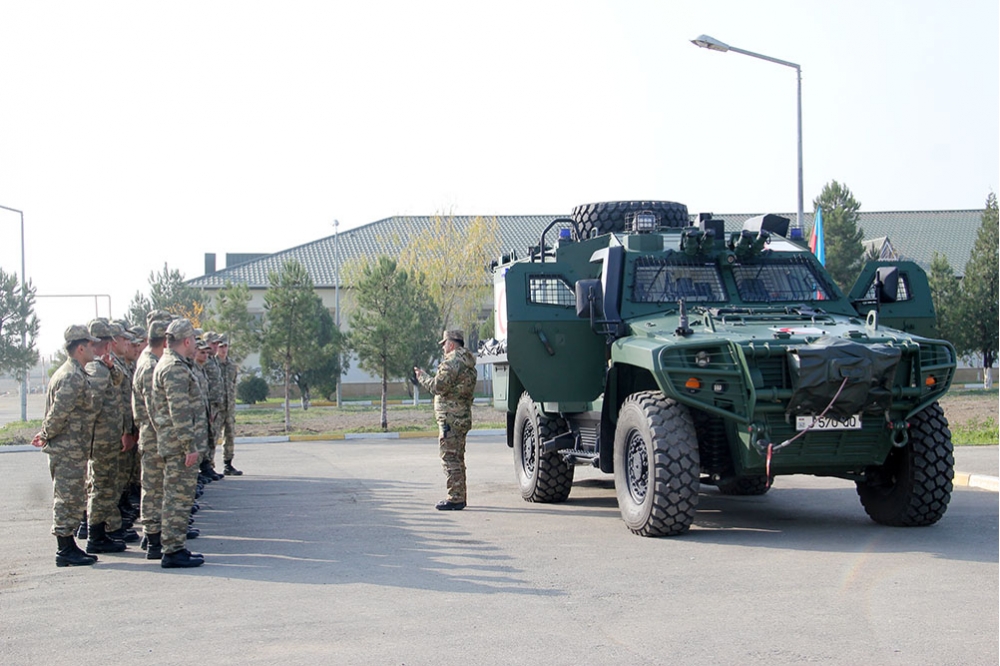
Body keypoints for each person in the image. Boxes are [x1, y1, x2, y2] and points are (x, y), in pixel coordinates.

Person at [32, 325, 102, 567]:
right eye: (90, 344)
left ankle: (69, 544)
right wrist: (45, 434)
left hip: (72, 447)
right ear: (80, 348)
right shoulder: (71, 375)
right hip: (66, 448)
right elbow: (58, 412)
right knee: (66, 497)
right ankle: (64, 549)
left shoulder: (73, 372)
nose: (94, 348)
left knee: (72, 496)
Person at [150, 318, 206, 569]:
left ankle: (175, 547)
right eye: (193, 339)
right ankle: (172, 550)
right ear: (186, 341)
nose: (195, 343)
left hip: (176, 444)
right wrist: (189, 446)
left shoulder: (174, 364)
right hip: (178, 447)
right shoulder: (174, 367)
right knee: (177, 498)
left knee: (179, 497)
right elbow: (179, 411)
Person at [414, 329, 478, 511]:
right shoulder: (467, 361)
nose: (443, 348)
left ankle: (455, 498)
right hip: (462, 417)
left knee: (450, 458)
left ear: (451, 344)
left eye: (444, 345)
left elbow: (438, 386)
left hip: (450, 418)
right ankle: (459, 496)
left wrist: (422, 377)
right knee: (458, 458)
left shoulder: (452, 362)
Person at [83, 318, 129, 553]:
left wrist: (111, 367)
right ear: (108, 343)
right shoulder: (96, 370)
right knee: (101, 487)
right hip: (100, 441)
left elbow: (119, 379)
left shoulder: (104, 367)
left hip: (108, 440)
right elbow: (91, 409)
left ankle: (102, 531)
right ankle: (96, 536)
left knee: (106, 485)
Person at [215, 334, 242, 475]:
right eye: (221, 346)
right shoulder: (212, 365)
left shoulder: (232, 366)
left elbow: (233, 384)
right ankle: (208, 466)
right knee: (213, 437)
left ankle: (228, 464)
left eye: (225, 346)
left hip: (229, 406)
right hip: (216, 408)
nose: (223, 349)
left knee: (230, 435)